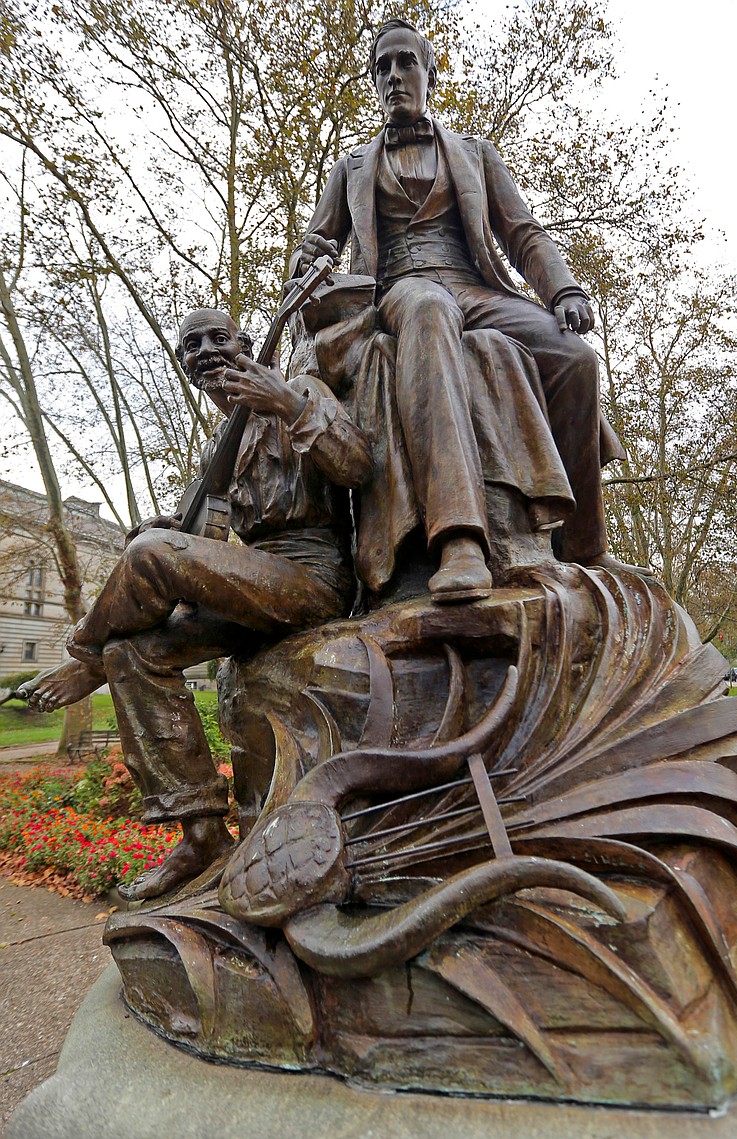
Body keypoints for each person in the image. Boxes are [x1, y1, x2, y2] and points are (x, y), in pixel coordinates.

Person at [19, 308, 371, 900]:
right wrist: (174, 533)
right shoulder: (218, 447)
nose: (205, 350)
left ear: (247, 345)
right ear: (184, 365)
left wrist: (286, 402)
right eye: (191, 344)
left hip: (311, 579)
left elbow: (360, 465)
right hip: (252, 588)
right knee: (133, 652)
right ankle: (203, 833)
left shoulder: (300, 389)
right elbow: (212, 544)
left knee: (151, 557)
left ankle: (84, 655)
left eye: (218, 338)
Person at [291, 18, 632, 603]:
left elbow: (522, 233)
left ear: (428, 72)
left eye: (405, 63)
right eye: (382, 67)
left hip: (478, 291)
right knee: (426, 309)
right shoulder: (350, 168)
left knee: (576, 357)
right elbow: (313, 252)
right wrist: (308, 257)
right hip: (399, 291)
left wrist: (564, 291)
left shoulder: (475, 154)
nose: (393, 76)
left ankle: (584, 544)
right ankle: (460, 539)